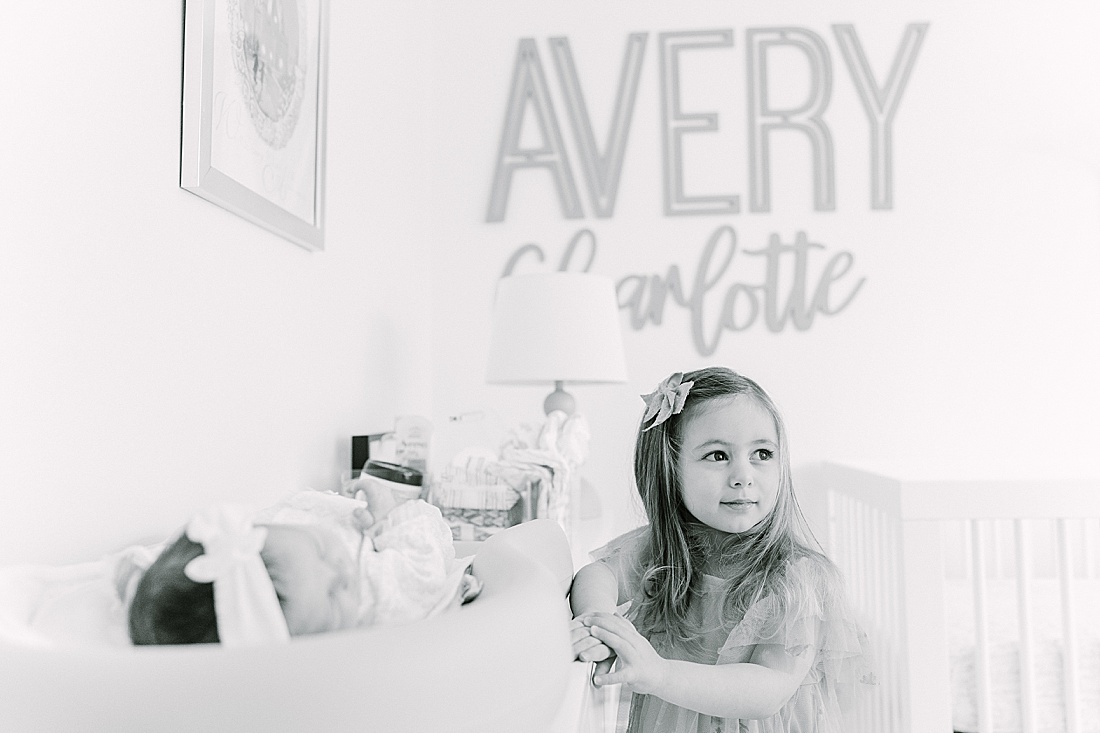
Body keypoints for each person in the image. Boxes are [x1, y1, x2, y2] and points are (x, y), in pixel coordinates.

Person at [569, 367, 873, 733]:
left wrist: (660, 673)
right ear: (671, 471)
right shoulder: (665, 550)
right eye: (717, 456)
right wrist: (601, 622)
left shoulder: (796, 578)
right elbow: (598, 573)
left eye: (762, 453)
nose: (743, 475)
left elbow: (769, 690)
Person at [128, 480, 477, 646]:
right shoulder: (380, 598)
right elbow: (424, 564)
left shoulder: (265, 545)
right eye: (334, 594)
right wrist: (393, 514)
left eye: (321, 549)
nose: (341, 568)